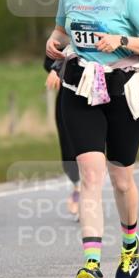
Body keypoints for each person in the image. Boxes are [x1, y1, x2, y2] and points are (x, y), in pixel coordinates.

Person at [45, 0, 139, 278]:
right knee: (90, 177)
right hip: (81, 89)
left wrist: (122, 40)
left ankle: (129, 244)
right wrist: (54, 42)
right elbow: (62, 32)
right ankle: (92, 265)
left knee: (121, 178)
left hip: (124, 89)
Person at [44, 54, 80, 217]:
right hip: (67, 94)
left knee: (90, 153)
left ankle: (86, 193)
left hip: (96, 94)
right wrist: (56, 70)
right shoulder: (61, 38)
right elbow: (48, 61)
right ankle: (78, 186)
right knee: (68, 151)